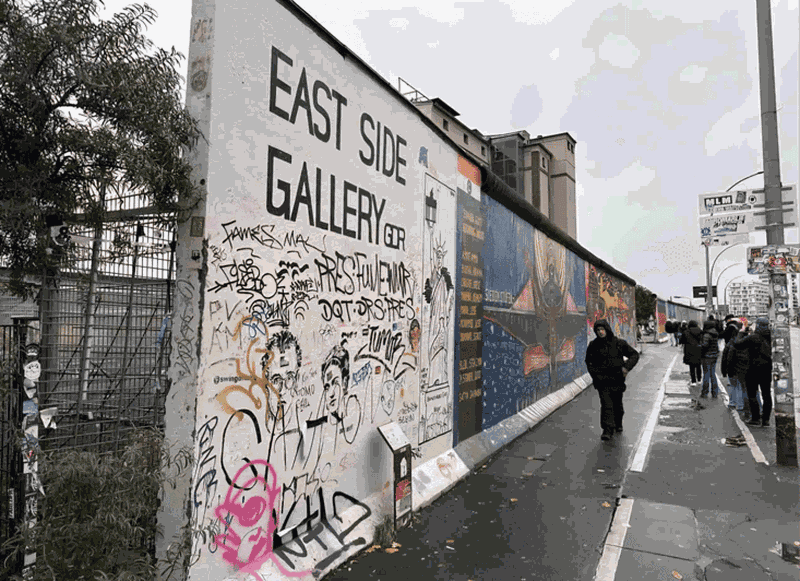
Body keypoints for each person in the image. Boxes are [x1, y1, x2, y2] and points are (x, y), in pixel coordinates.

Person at [585, 319, 640, 441]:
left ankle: (618, 423)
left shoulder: (618, 343)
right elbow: (589, 362)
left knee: (617, 404)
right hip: (602, 381)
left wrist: (626, 368)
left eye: (602, 329)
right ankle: (607, 429)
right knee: (606, 404)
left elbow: (634, 355)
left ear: (607, 329)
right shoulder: (593, 346)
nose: (600, 332)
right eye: (598, 330)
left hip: (617, 380)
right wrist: (595, 375)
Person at [734, 318, 773, 427]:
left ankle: (755, 419)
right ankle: (766, 420)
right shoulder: (770, 336)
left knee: (752, 393)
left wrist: (741, 333)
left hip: (753, 369)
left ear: (758, 325)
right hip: (766, 369)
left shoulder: (753, 337)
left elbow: (737, 344)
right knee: (766, 394)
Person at [721, 319, 744, 412]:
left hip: (731, 370)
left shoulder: (730, 344)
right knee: (740, 387)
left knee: (733, 386)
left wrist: (724, 371)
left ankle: (732, 403)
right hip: (741, 369)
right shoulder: (743, 341)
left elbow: (725, 359)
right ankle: (740, 405)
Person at [699, 319, 721, 398]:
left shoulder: (706, 334)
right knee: (713, 374)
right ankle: (715, 392)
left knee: (706, 374)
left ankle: (705, 392)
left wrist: (699, 347)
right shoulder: (715, 333)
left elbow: (705, 345)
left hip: (707, 356)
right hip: (714, 356)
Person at [679, 320, 703, 388]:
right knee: (698, 365)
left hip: (689, 350)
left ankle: (693, 381)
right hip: (698, 350)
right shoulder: (700, 331)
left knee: (691, 366)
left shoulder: (686, 332)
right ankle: (699, 379)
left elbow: (681, 341)